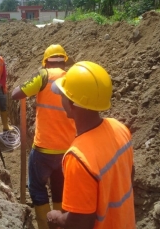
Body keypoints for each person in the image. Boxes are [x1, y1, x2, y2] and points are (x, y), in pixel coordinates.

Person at [48, 61, 136, 229]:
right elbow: (129, 175)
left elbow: (80, 222)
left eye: (63, 95)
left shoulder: (78, 158)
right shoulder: (120, 128)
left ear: (72, 104)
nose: (61, 98)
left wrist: (56, 217)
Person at [11, 44, 76, 229]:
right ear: (64, 61)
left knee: (37, 188)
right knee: (59, 189)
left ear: (46, 62)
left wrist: (22, 85)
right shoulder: (72, 78)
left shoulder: (43, 76)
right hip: (67, 151)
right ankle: (59, 224)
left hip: (43, 149)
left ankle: (45, 225)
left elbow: (16, 94)